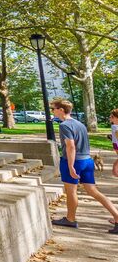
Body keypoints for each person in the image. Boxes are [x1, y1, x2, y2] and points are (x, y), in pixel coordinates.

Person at [50, 99, 118, 233]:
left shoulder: (64, 125)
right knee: (93, 191)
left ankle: (70, 219)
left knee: (71, 191)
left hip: (74, 161)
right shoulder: (80, 124)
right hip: (87, 161)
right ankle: (117, 216)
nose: (53, 111)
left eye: (54, 109)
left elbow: (70, 146)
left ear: (61, 110)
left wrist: (70, 166)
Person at [110, 108, 118, 179]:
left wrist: (115, 166)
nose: (110, 118)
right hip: (116, 145)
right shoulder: (114, 126)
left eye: (112, 116)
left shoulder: (115, 127)